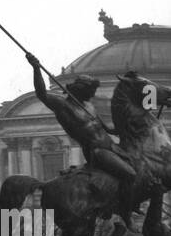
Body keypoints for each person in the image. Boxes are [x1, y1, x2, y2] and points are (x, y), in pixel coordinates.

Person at [27, 53, 138, 188]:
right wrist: (36, 68)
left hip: (112, 148)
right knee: (130, 175)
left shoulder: (89, 105)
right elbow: (42, 94)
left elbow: (108, 129)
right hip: (98, 153)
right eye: (91, 91)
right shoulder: (64, 106)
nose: (93, 94)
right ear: (82, 90)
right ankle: (125, 209)